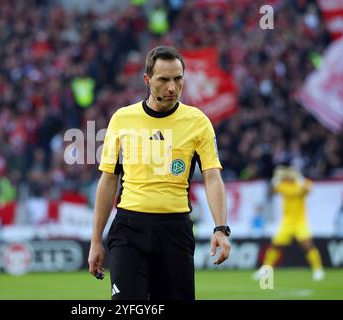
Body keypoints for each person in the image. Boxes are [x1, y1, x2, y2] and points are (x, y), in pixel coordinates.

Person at [88, 46, 231, 300]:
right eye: (163, 80)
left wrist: (221, 228)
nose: (172, 88)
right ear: (147, 80)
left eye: (178, 79)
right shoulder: (122, 119)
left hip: (175, 231)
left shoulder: (198, 122)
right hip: (129, 229)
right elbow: (109, 179)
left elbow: (212, 176)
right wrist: (96, 240)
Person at [253, 166, 325, 281]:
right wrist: (276, 178)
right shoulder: (284, 186)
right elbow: (271, 191)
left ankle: (318, 269)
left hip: (300, 222)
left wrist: (299, 178)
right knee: (275, 245)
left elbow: (309, 188)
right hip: (286, 223)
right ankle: (265, 270)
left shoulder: (300, 185)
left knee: (307, 245)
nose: (288, 176)